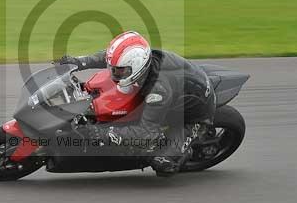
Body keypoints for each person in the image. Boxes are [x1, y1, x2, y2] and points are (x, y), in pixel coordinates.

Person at [57, 30, 216, 177]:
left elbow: (145, 133)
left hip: (193, 116)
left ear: (136, 68)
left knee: (163, 163)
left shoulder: (157, 91)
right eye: (114, 69)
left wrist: (103, 134)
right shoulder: (140, 56)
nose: (114, 74)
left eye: (120, 71)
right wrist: (79, 62)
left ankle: (183, 151)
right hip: (178, 92)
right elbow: (109, 57)